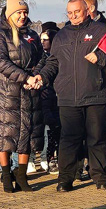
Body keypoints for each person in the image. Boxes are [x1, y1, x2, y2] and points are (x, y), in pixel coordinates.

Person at [38, 0, 106, 191]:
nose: (73, 16)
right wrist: (42, 78)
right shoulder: (61, 36)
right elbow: (53, 63)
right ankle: (65, 179)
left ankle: (99, 176)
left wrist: (100, 57)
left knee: (96, 137)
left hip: (96, 93)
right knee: (69, 140)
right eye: (69, 13)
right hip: (68, 96)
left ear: (87, 10)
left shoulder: (101, 31)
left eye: (76, 12)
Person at [0, 0, 45, 192]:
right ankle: (5, 174)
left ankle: (21, 175)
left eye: (25, 12)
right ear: (10, 14)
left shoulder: (32, 35)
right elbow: (0, 62)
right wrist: (24, 77)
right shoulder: (0, 36)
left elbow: (41, 58)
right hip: (6, 93)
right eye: (19, 12)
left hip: (29, 91)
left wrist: (36, 76)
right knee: (5, 133)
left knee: (26, 134)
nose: (23, 16)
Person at [39, 26, 60, 174]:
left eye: (45, 40)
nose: (43, 43)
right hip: (46, 96)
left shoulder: (61, 56)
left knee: (60, 128)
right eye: (41, 40)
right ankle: (49, 157)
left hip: (60, 96)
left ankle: (59, 157)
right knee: (49, 127)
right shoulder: (41, 57)